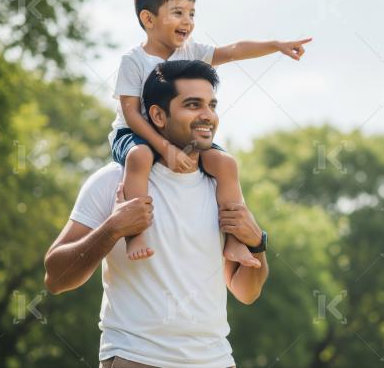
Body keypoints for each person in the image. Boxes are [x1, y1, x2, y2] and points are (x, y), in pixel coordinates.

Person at [44, 60, 268, 367]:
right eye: (192, 104)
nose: (207, 115)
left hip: (216, 361)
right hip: (135, 358)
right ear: (158, 115)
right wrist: (112, 229)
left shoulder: (221, 184)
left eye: (211, 105)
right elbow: (55, 278)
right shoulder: (113, 181)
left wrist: (257, 243)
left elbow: (246, 292)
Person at [112, 0, 310, 262]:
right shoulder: (133, 60)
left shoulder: (191, 51)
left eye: (192, 13)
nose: (188, 21)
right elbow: (130, 112)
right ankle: (135, 233)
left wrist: (275, 45)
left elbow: (234, 51)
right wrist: (163, 148)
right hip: (136, 132)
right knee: (139, 157)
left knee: (225, 163)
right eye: (177, 12)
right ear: (148, 19)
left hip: (180, 135)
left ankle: (233, 240)